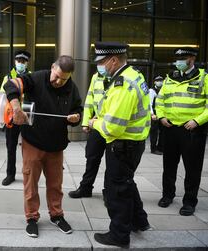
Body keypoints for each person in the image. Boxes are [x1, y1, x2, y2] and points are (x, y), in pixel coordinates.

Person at [4, 55, 82, 238]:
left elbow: (78, 109)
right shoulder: (37, 78)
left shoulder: (71, 88)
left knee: (55, 184)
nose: (58, 82)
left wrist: (76, 117)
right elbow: (11, 85)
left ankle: (57, 215)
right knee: (30, 182)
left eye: (64, 79)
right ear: (52, 67)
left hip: (56, 145)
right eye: (56, 76)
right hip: (33, 141)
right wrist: (16, 108)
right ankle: (31, 218)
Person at [90, 42, 151, 248]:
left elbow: (113, 127)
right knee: (127, 183)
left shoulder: (122, 85)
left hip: (123, 144)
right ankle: (139, 221)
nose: (99, 66)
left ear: (114, 60)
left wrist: (94, 122)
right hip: (134, 143)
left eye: (102, 62)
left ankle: (118, 235)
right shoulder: (134, 74)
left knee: (117, 190)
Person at [156, 47, 208, 216]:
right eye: (177, 58)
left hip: (192, 130)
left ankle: (189, 201)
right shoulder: (170, 78)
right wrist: (161, 116)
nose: (178, 61)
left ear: (191, 59)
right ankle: (167, 195)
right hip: (170, 128)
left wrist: (197, 121)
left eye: (182, 58)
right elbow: (160, 100)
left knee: (192, 168)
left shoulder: (203, 78)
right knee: (169, 166)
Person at [68, 71, 106, 198]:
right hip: (97, 124)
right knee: (92, 157)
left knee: (113, 162)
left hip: (114, 125)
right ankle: (86, 187)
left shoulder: (121, 76)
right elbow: (90, 99)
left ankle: (109, 192)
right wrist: (85, 122)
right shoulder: (95, 76)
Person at [0, 50, 31, 186]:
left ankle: (28, 173)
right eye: (19, 61)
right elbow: (1, 97)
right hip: (11, 117)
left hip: (26, 117)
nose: (20, 64)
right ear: (15, 62)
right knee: (11, 147)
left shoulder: (31, 77)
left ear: (27, 63)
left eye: (23, 62)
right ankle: (10, 174)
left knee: (28, 148)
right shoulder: (8, 77)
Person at [149, 75, 164, 155]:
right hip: (154, 114)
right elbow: (149, 104)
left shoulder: (163, 90)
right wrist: (152, 114)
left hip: (162, 114)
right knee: (154, 132)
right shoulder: (152, 91)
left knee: (163, 132)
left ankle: (160, 148)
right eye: (158, 80)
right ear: (154, 82)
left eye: (161, 80)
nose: (160, 82)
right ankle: (153, 149)